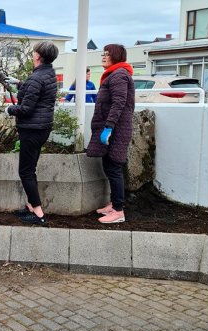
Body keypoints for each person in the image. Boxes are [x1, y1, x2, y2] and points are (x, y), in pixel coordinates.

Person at [6, 41, 59, 226]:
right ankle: (30, 205)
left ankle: (38, 213)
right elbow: (37, 91)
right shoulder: (48, 73)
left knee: (26, 171)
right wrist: (20, 83)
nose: (32, 55)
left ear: (38, 56)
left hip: (32, 129)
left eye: (33, 52)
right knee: (31, 169)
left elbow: (26, 109)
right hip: (41, 128)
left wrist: (9, 110)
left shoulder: (37, 78)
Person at [86, 43, 135, 224]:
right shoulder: (114, 74)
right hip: (113, 128)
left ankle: (118, 211)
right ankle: (114, 204)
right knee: (109, 165)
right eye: (103, 54)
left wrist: (109, 127)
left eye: (107, 54)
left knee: (114, 167)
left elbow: (119, 102)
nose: (104, 57)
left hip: (117, 130)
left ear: (116, 56)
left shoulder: (119, 75)